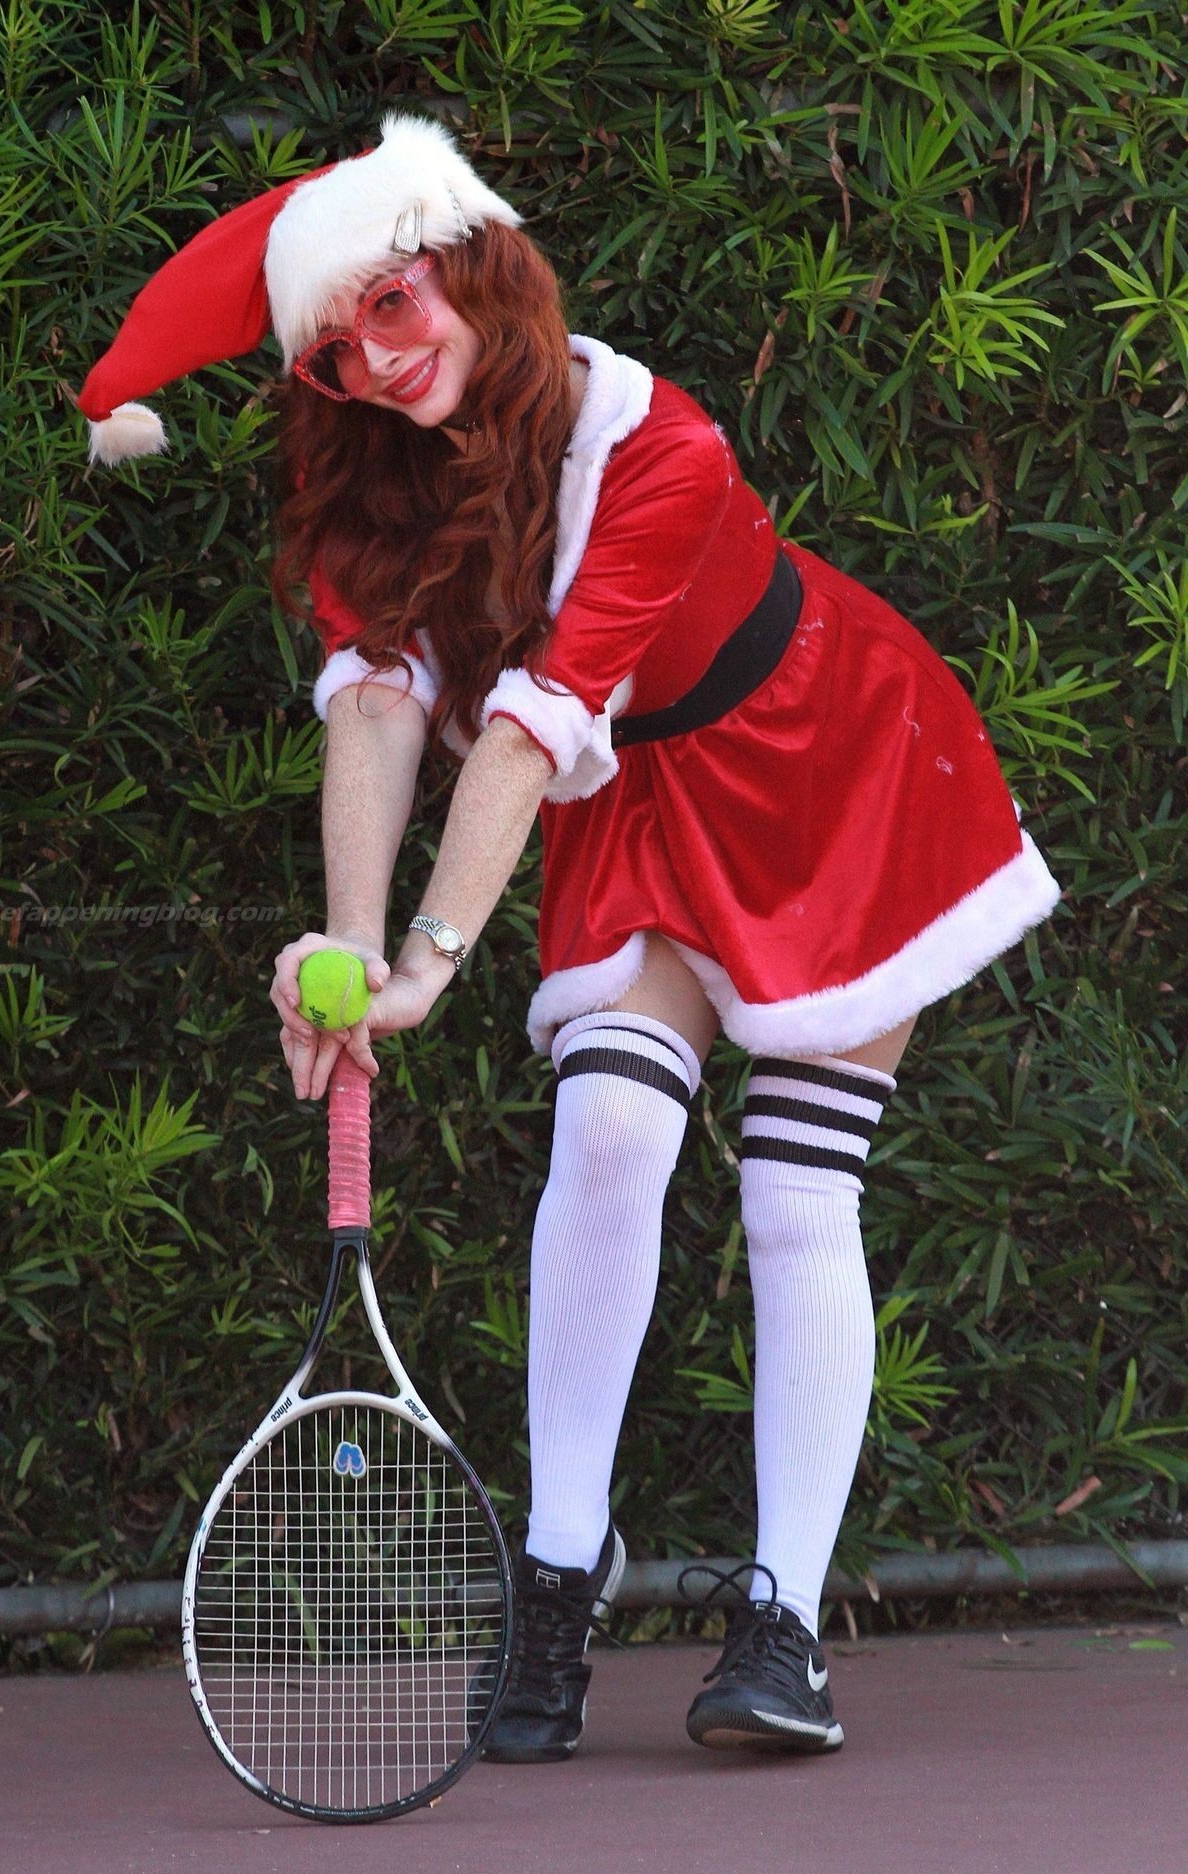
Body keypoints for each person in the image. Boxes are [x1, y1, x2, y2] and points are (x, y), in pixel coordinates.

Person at [78, 110, 1060, 1763]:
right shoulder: (362, 468)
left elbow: (529, 736)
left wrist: (429, 965)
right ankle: (557, 1572)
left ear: (472, 266)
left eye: (393, 306)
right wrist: (348, 951)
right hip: (640, 796)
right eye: (332, 350)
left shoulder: (655, 446)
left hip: (828, 760)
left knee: (795, 1190)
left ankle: (784, 1628)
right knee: (608, 1132)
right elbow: (377, 708)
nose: (374, 359)